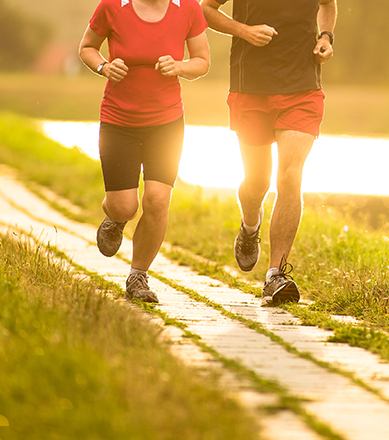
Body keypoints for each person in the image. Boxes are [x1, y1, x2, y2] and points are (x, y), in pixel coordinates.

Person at [200, 0, 336, 303]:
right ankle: (250, 224)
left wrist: (326, 37)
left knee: (290, 176)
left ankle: (277, 274)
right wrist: (244, 31)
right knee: (257, 183)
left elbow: (328, 4)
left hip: (302, 86)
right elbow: (205, 9)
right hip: (251, 87)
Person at [79, 0, 209, 303]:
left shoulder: (188, 8)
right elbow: (87, 47)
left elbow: (202, 61)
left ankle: (138, 275)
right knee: (125, 206)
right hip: (118, 121)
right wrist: (104, 66)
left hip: (166, 122)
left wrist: (179, 66)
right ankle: (116, 218)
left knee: (157, 200)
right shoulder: (112, 6)